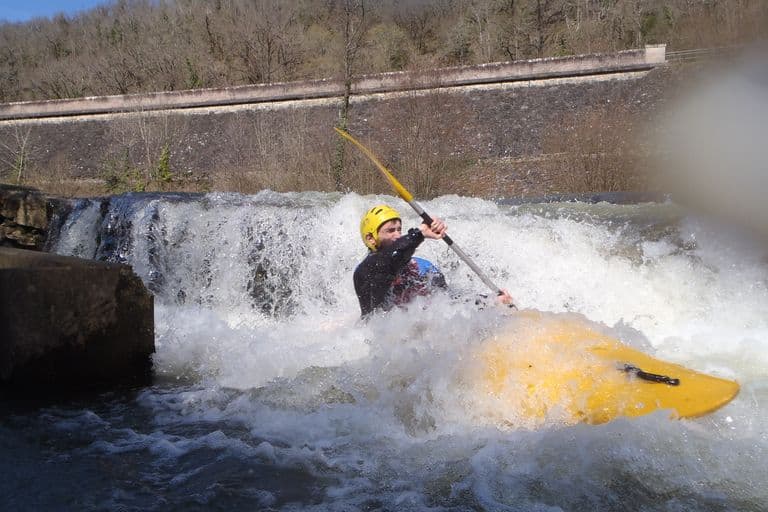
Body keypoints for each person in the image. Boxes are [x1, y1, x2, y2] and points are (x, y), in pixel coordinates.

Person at [353, 204, 514, 317]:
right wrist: (420, 233)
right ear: (371, 239)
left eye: (399, 230)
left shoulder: (421, 267)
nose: (397, 235)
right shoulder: (365, 272)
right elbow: (390, 260)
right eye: (390, 231)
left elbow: (448, 301)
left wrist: (489, 301)